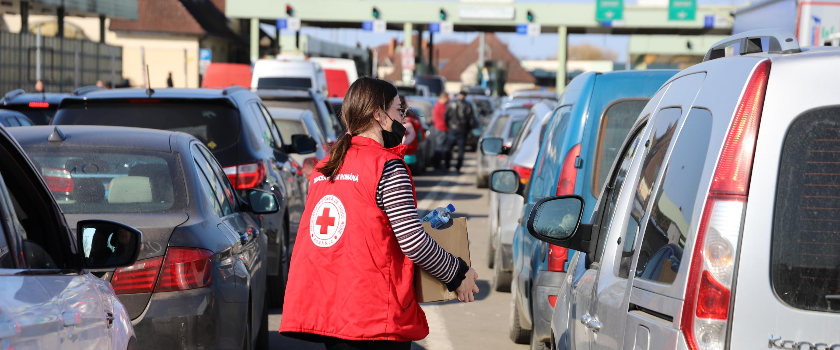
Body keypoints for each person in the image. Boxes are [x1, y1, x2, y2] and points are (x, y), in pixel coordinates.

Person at [280, 77, 478, 350]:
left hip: (331, 313)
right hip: (373, 317)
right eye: (399, 111)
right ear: (378, 115)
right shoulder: (387, 168)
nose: (404, 120)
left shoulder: (325, 167)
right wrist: (458, 273)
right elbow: (413, 242)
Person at [443, 91, 476, 173]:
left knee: (449, 147)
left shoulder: (452, 104)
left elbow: (446, 116)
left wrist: (449, 126)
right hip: (462, 129)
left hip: (453, 129)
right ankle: (458, 166)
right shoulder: (467, 105)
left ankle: (447, 164)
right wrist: (468, 129)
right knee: (460, 148)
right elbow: (471, 120)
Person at [431, 92, 449, 170]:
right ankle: (437, 164)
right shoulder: (441, 107)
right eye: (447, 98)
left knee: (439, 146)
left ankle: (437, 164)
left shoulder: (437, 105)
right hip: (441, 128)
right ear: (444, 98)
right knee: (440, 147)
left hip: (438, 127)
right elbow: (446, 118)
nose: (449, 100)